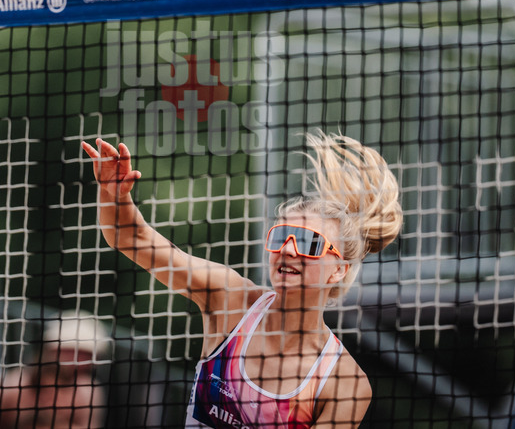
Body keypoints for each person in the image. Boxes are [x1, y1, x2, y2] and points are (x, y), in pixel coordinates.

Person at [82, 132, 402, 428]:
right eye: (280, 237)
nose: (287, 250)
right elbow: (132, 239)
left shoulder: (345, 382)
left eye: (308, 242)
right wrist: (114, 195)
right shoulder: (230, 300)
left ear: (339, 270)